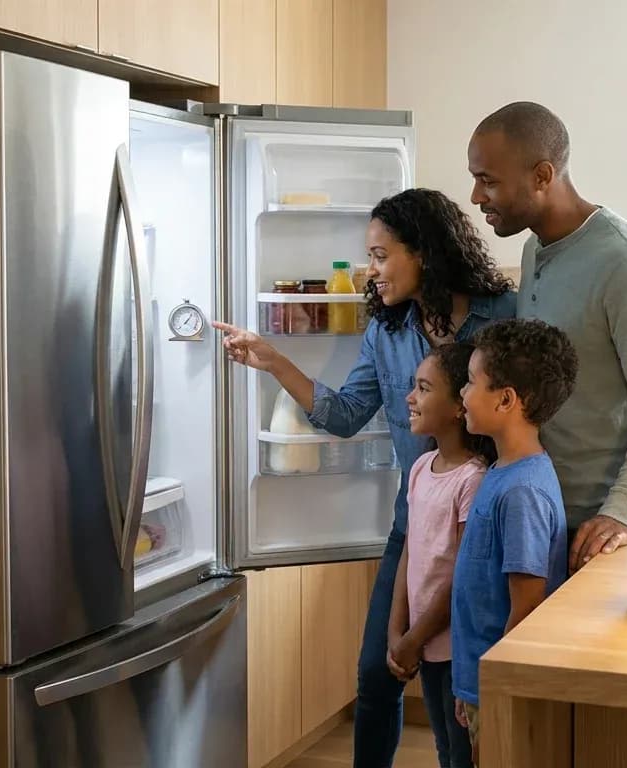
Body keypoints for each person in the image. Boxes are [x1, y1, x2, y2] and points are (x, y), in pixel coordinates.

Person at [212, 188, 516, 767]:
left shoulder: (498, 312)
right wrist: (273, 359)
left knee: (466, 686)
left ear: (422, 252)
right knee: (378, 674)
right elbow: (346, 415)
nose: (369, 272)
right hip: (415, 525)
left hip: (484, 524)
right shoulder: (387, 330)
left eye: (380, 255)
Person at [467, 101, 627, 573]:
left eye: (488, 181)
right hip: (537, 516)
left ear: (542, 176)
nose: (475, 196)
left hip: (594, 536)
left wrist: (622, 511)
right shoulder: (534, 249)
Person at [450, 318, 577, 762]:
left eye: (470, 383)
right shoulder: (503, 472)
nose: (462, 395)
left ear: (506, 400)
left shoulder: (523, 491)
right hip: (480, 681)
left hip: (498, 686)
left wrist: (494, 690)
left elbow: (525, 609)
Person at [386, 343, 489, 768]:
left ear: (458, 407)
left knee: (462, 753)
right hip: (422, 644)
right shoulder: (419, 468)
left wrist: (414, 637)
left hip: (453, 647)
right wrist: (397, 632)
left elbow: (463, 576)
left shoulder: (473, 479)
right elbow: (410, 553)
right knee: (444, 749)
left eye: (424, 388)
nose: (410, 398)